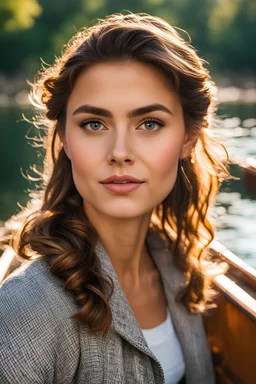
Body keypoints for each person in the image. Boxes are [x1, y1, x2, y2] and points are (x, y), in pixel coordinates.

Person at [0, 12, 230, 384]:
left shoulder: (179, 269)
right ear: (65, 141)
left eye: (149, 123)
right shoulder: (22, 312)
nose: (120, 152)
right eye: (94, 124)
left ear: (187, 138)